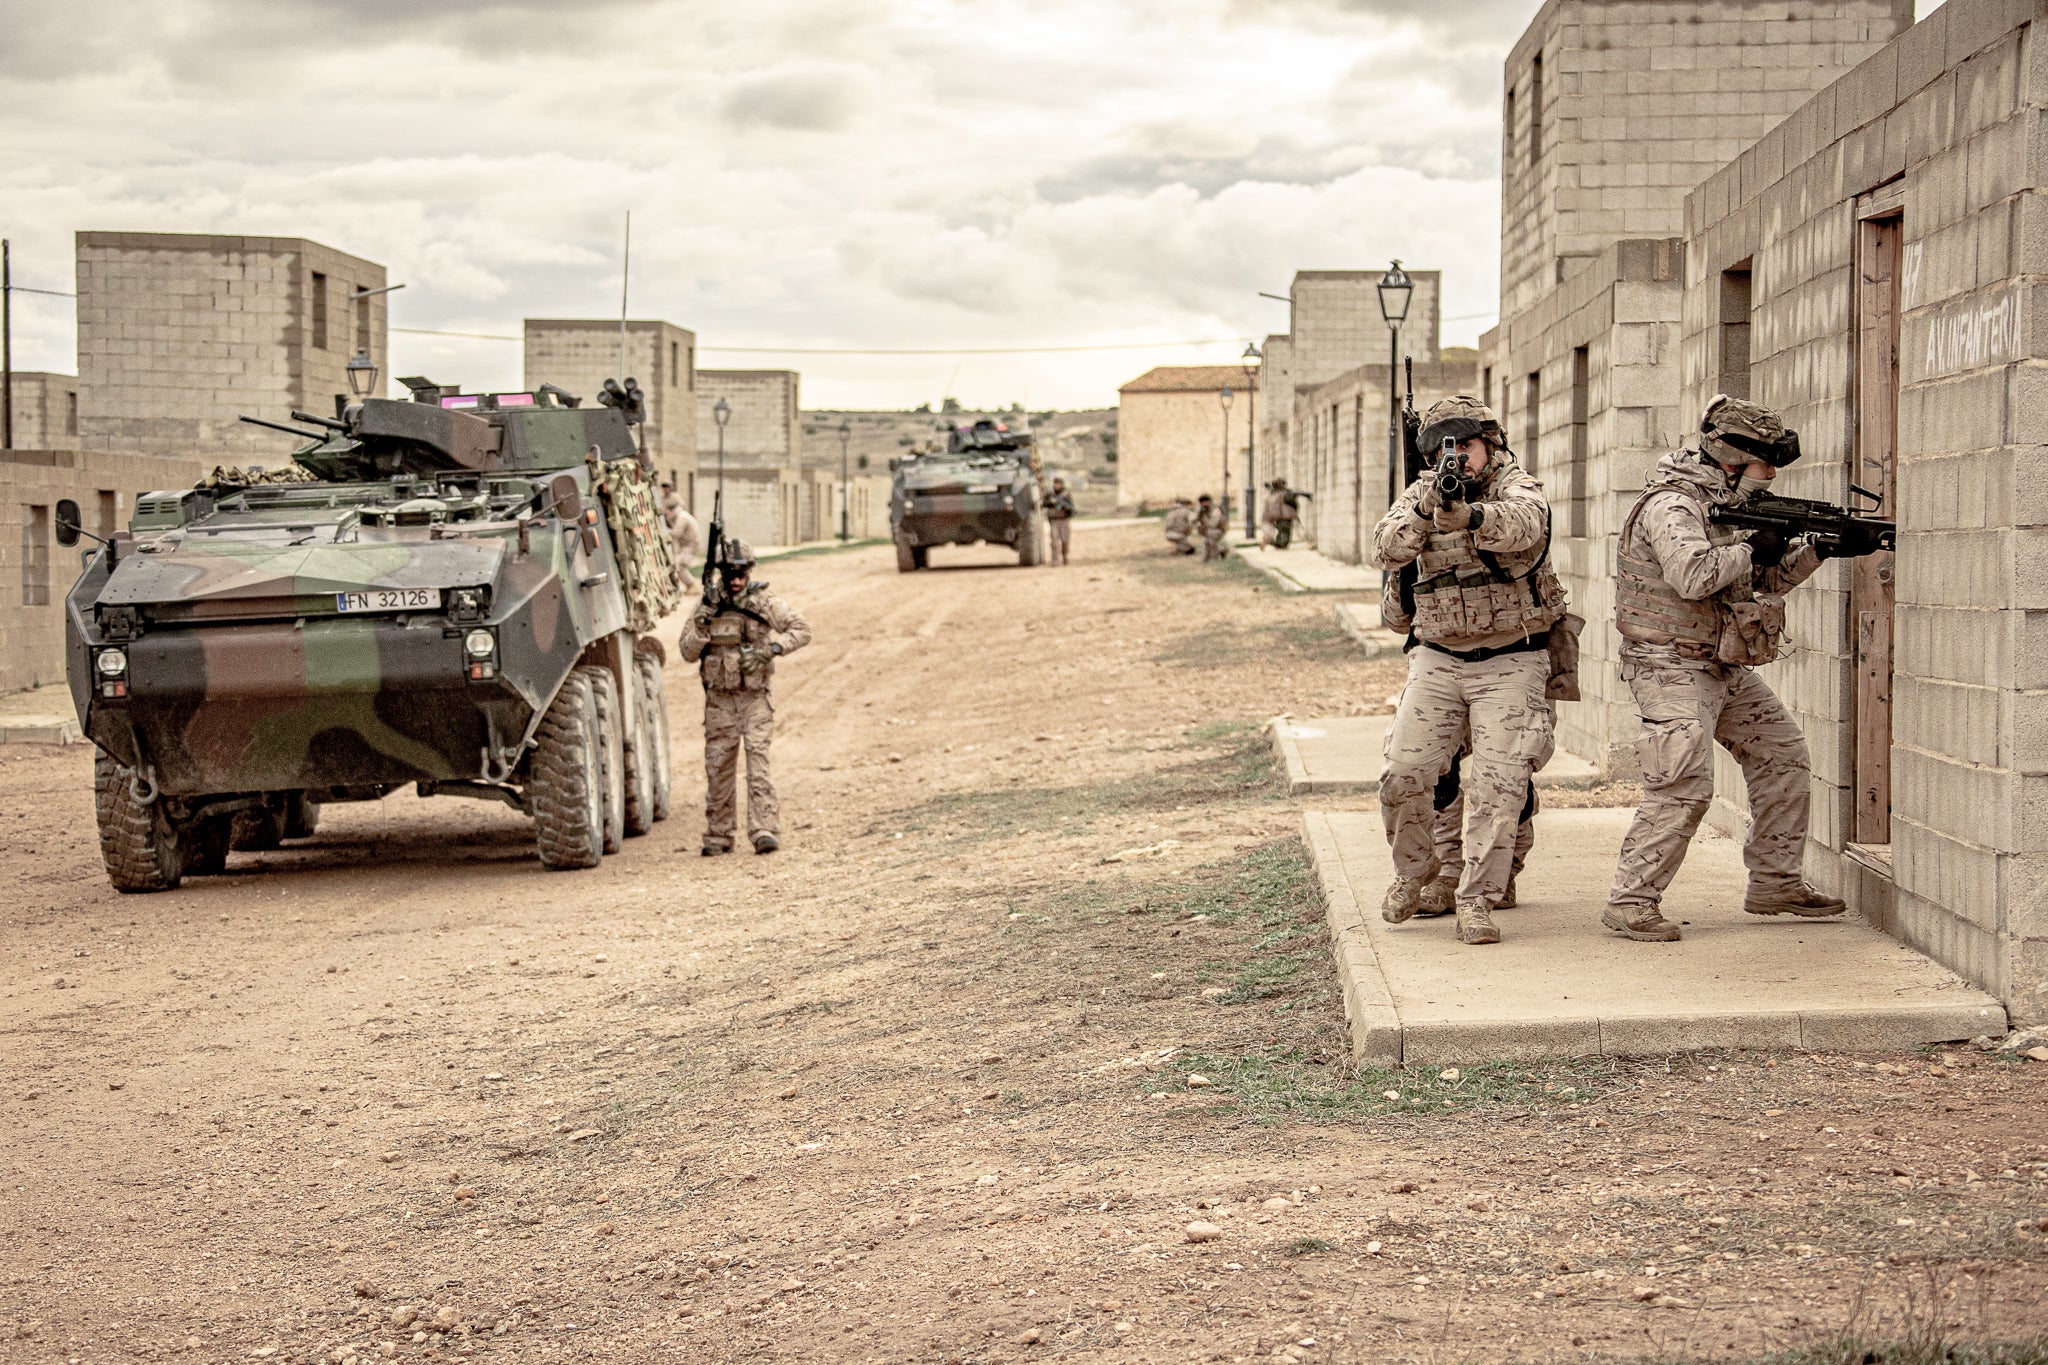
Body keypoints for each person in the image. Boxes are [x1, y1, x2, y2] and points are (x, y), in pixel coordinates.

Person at [1602, 395, 1862, 941]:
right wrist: (1752, 545)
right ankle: (1630, 901)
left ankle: (1774, 882)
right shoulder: (1673, 506)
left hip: (1722, 663)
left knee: (1784, 755)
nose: (1770, 474)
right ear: (1731, 458)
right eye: (1764, 462)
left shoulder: (1729, 506)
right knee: (1685, 782)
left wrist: (1815, 552)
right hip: (1668, 665)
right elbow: (1694, 577)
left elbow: (1757, 584)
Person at [1371, 396, 1566, 946]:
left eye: (1465, 446)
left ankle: (1476, 898)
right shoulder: (1422, 491)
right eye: (1441, 450)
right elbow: (1384, 549)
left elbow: (1526, 527)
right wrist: (1424, 510)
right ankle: (1414, 873)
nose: (1455, 459)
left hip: (1511, 657)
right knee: (1404, 773)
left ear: (1490, 443)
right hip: (1438, 657)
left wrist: (1473, 516)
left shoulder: (1517, 486)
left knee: (1499, 786)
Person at [678, 538, 811, 857]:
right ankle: (719, 834)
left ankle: (763, 829)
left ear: (749, 572)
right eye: (729, 573)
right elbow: (686, 651)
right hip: (720, 702)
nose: (736, 580)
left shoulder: (764, 602)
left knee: (758, 765)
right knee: (718, 767)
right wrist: (702, 625)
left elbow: (801, 630)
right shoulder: (709, 607)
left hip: (754, 700)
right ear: (721, 574)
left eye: (741, 573)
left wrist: (773, 650)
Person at [1041, 477, 1075, 566]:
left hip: (1064, 520)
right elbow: (1044, 504)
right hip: (1054, 520)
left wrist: (1064, 507)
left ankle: (1064, 556)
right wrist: (1051, 502)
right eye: (1055, 484)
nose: (1056, 485)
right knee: (1054, 542)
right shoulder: (1050, 494)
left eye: (1058, 484)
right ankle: (1055, 560)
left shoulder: (1066, 495)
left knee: (1065, 541)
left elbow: (1071, 509)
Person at [1261, 479, 1302, 549]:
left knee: (1281, 531)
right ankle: (1275, 543)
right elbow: (1292, 502)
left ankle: (1276, 543)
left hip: (1277, 516)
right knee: (1285, 532)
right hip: (1285, 516)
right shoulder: (1285, 494)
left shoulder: (1274, 494)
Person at [1194, 494, 1229, 561]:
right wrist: (1198, 513)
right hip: (1209, 530)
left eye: (1205, 502)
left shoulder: (1215, 510)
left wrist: (1203, 523)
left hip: (1219, 529)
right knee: (1206, 542)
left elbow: (1213, 524)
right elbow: (1193, 520)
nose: (1204, 504)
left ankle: (1214, 557)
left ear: (1209, 501)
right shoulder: (1202, 510)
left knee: (1210, 540)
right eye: (1202, 502)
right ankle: (1220, 551)